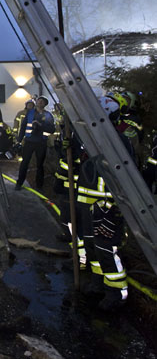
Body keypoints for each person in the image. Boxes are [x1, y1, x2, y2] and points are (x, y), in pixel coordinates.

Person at [75, 97, 129, 311]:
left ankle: (116, 292)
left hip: (106, 205)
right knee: (90, 244)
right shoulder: (90, 138)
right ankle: (98, 281)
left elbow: (125, 175)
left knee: (106, 247)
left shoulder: (119, 141)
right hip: (87, 202)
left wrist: (116, 205)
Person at [15, 95, 55, 190]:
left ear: (45, 104)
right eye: (39, 101)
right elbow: (23, 127)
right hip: (29, 142)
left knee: (40, 165)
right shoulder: (30, 113)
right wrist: (19, 141)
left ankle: (39, 185)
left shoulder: (48, 115)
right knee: (24, 163)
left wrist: (41, 126)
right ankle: (19, 183)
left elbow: (52, 129)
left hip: (41, 143)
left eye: (42, 101)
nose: (40, 102)